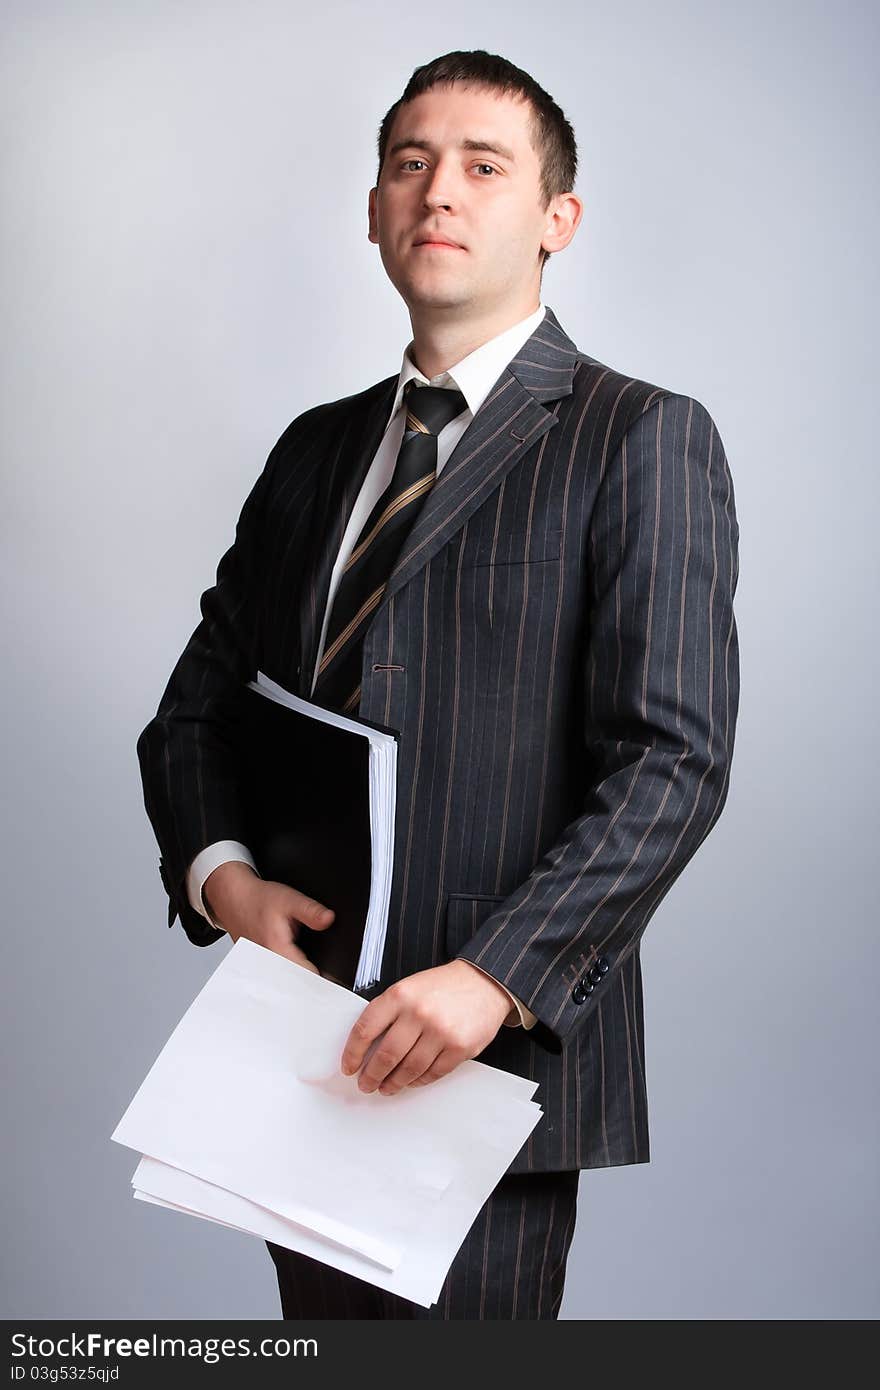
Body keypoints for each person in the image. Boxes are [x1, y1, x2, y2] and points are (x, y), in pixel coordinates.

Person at [136, 48, 740, 1320]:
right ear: (371, 209)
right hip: (295, 1036)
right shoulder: (314, 449)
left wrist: (495, 976)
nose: (438, 193)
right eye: (408, 165)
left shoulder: (639, 434)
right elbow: (196, 706)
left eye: (482, 166)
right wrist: (222, 877)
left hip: (484, 1048)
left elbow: (670, 763)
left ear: (555, 219)